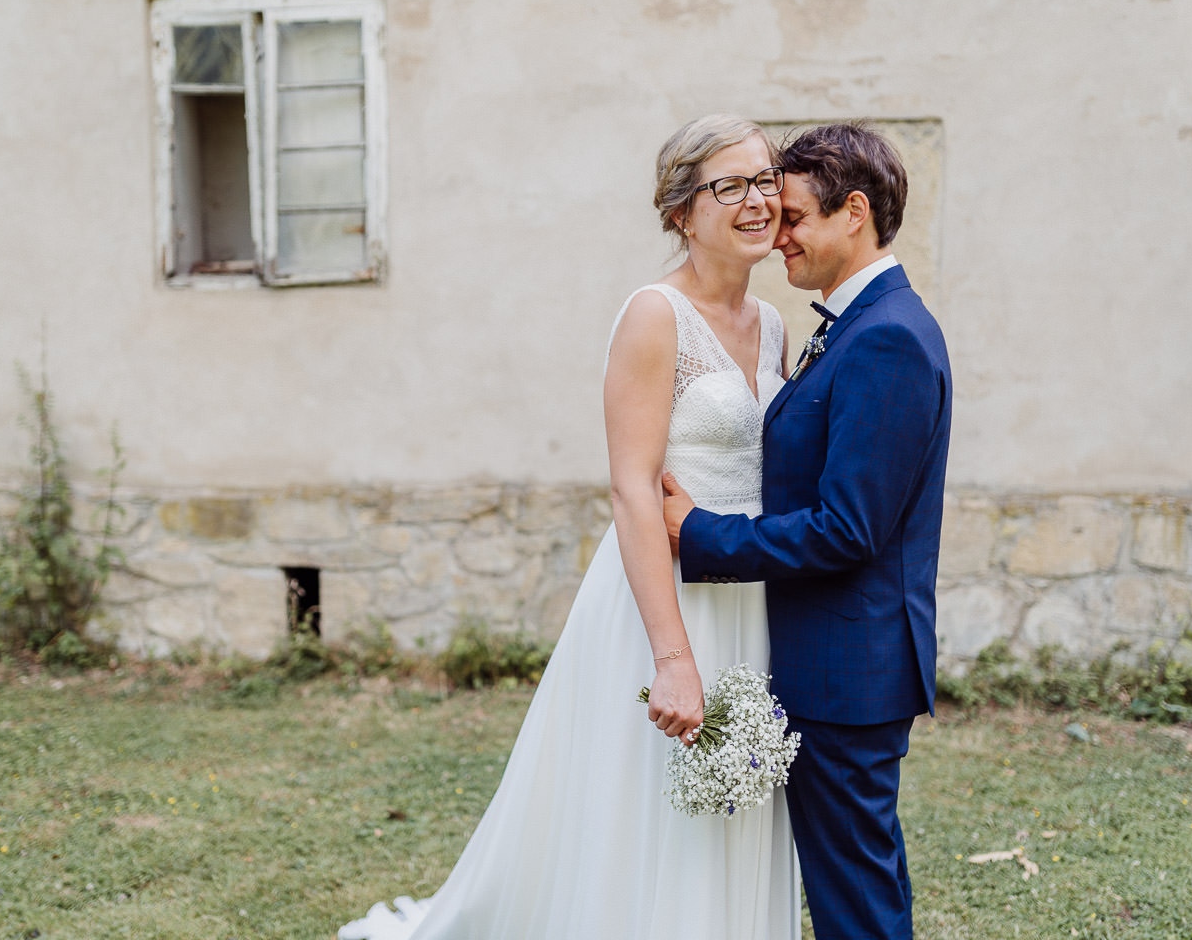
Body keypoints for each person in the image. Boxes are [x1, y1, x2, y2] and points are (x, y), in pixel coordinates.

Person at [339, 114, 800, 940]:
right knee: (645, 808)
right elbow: (631, 492)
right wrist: (672, 657)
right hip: (665, 599)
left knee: (733, 800)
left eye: (765, 178)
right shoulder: (655, 316)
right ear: (681, 212)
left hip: (750, 599)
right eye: (728, 186)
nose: (757, 199)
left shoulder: (775, 326)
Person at [662, 121, 952, 940]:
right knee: (850, 881)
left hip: (848, 671)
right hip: (829, 660)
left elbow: (847, 529)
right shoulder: (852, 323)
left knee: (854, 896)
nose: (775, 234)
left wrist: (703, 533)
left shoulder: (888, 336)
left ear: (852, 212)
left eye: (794, 218)